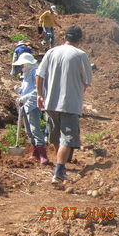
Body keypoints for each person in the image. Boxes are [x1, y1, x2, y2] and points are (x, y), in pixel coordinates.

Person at [36, 25, 92, 184]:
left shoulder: (51, 52)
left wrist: (40, 95)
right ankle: (59, 171)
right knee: (67, 139)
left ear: (64, 38)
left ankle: (60, 166)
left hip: (50, 102)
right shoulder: (80, 55)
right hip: (70, 104)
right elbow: (87, 81)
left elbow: (39, 75)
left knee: (55, 136)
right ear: (79, 40)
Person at [14, 52, 48, 164]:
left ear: (28, 63)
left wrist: (25, 97)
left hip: (33, 104)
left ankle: (43, 155)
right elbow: (27, 89)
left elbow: (38, 90)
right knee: (29, 131)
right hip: (25, 106)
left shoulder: (35, 72)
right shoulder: (26, 75)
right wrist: (19, 90)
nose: (22, 66)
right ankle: (34, 153)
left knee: (35, 129)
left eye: (23, 64)